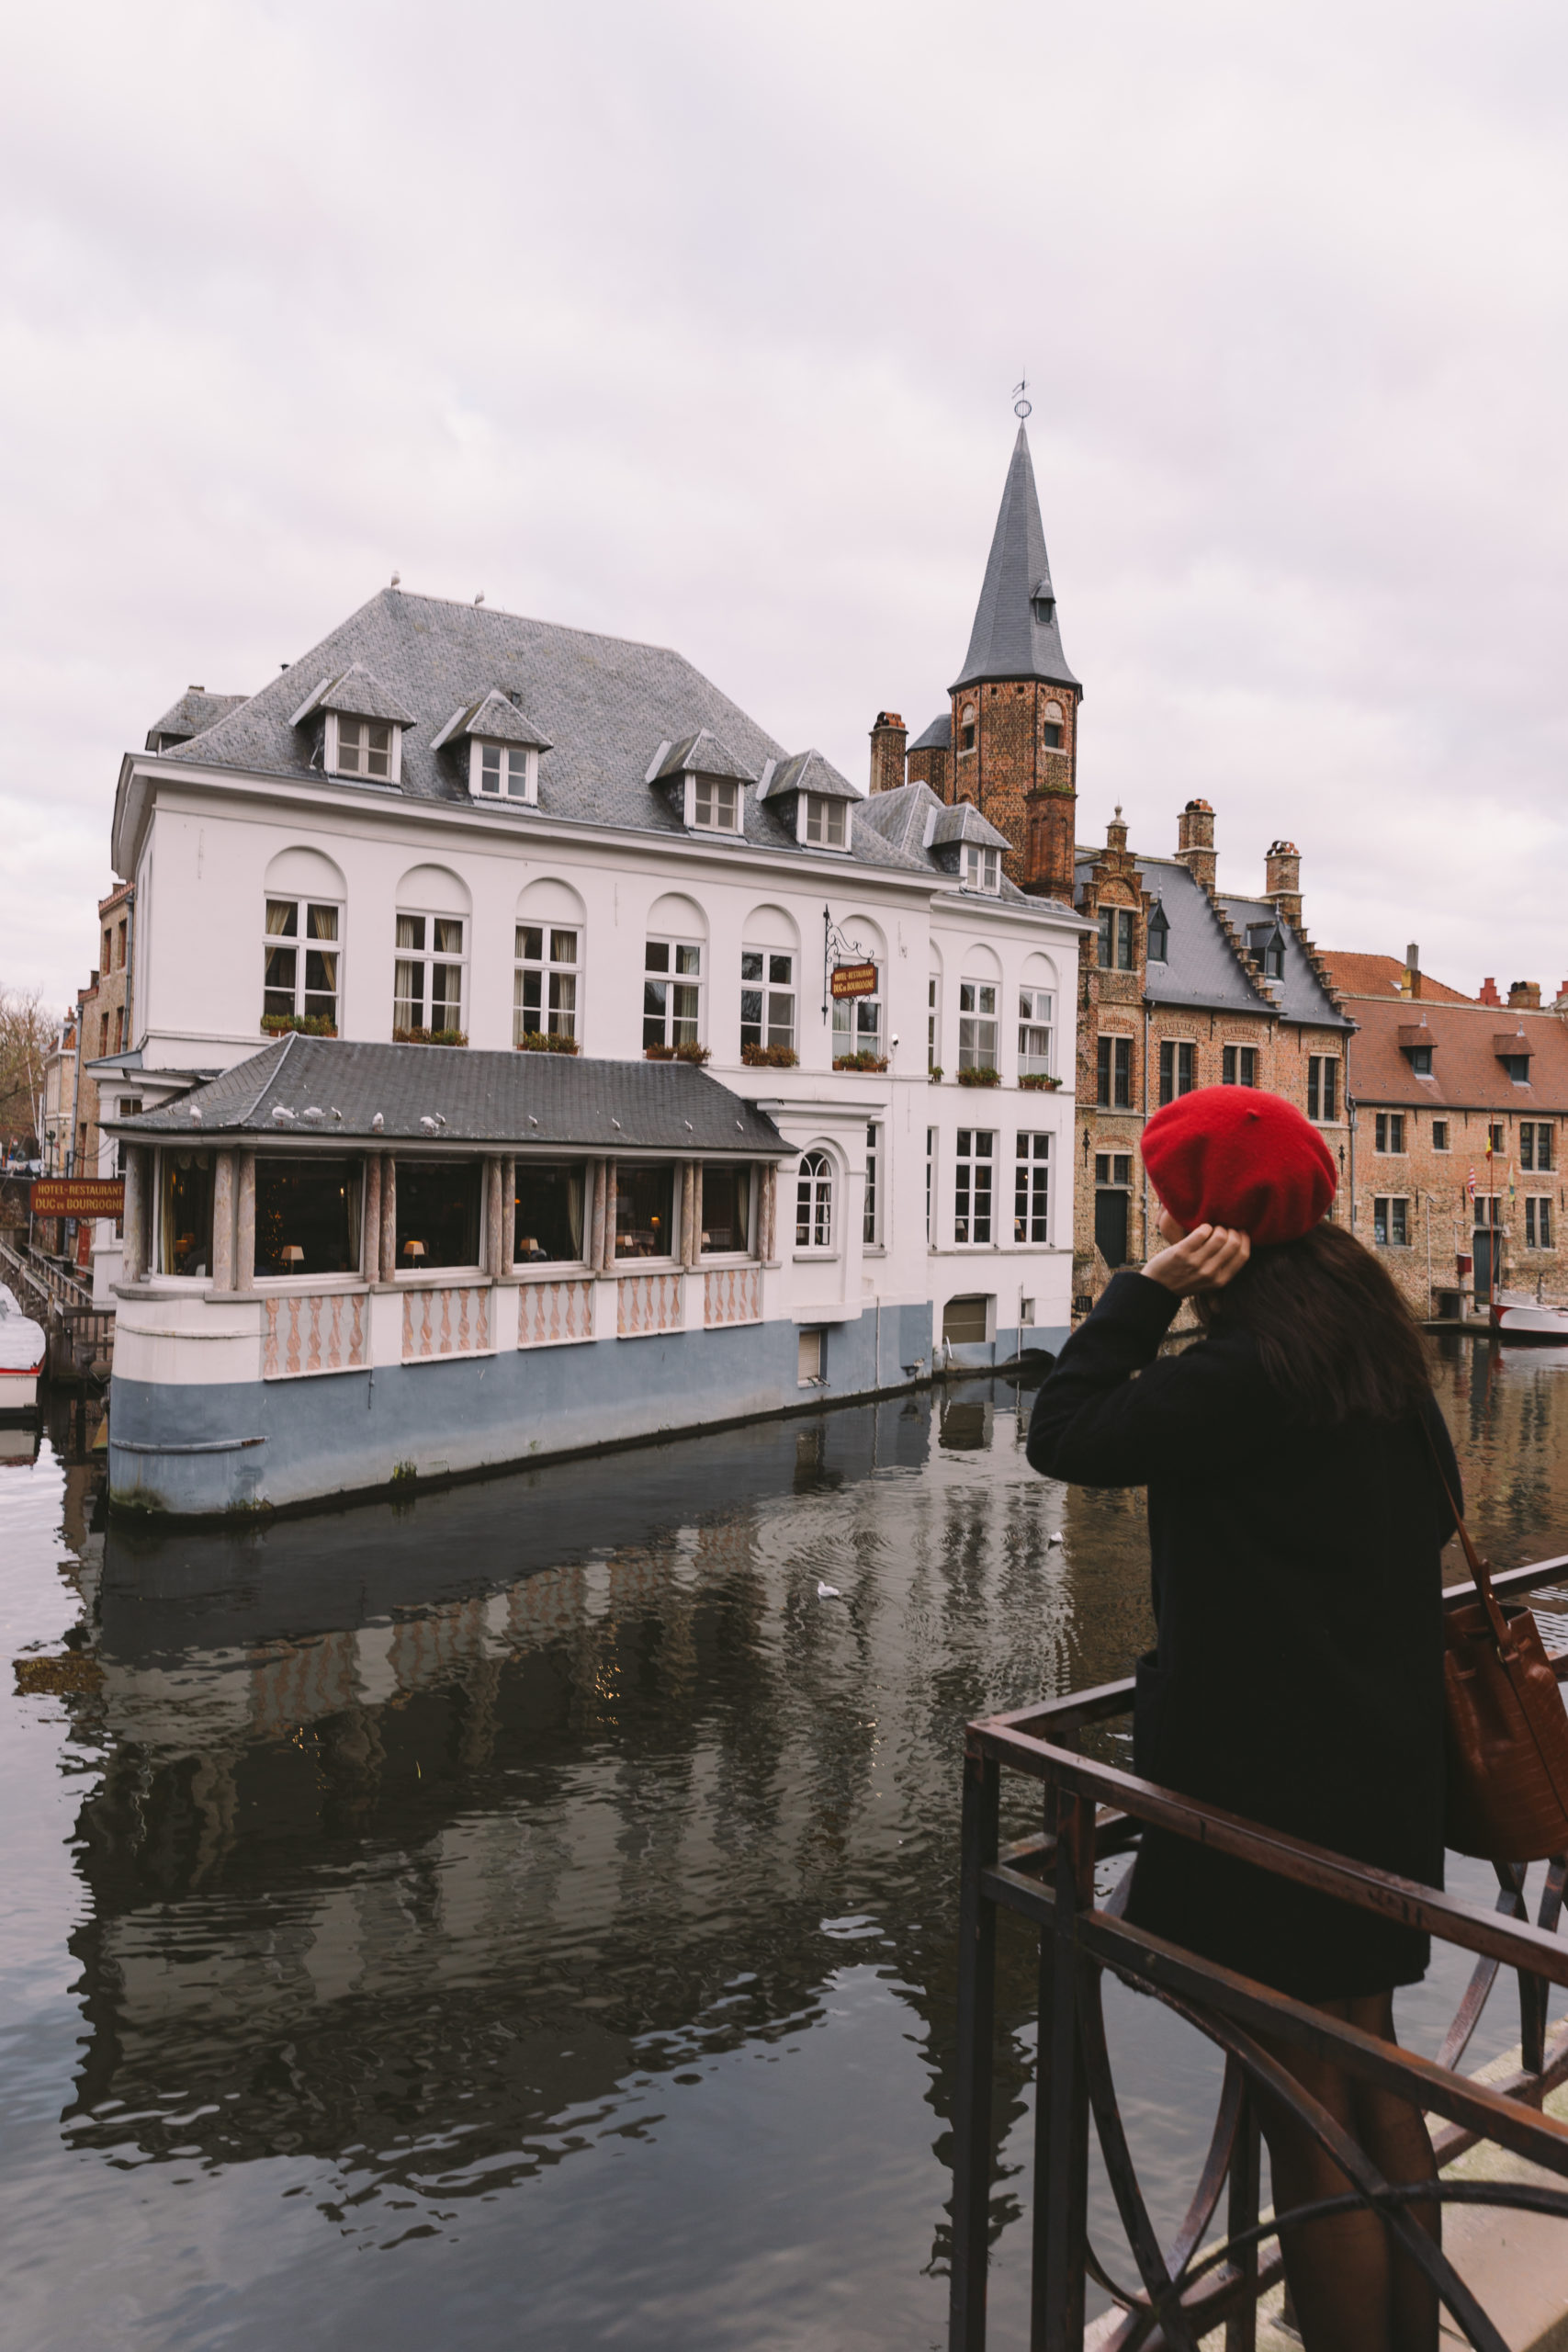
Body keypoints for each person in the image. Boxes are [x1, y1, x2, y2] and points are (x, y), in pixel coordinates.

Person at [1027, 1086, 1454, 2352]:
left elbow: (1064, 1432)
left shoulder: (1243, 1373)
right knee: (1372, 2074)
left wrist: (1143, 1289)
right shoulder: (1375, 1349)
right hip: (1387, 1768)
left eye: (1170, 1199)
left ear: (1199, 1218)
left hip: (1271, 1796)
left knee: (1306, 2108)